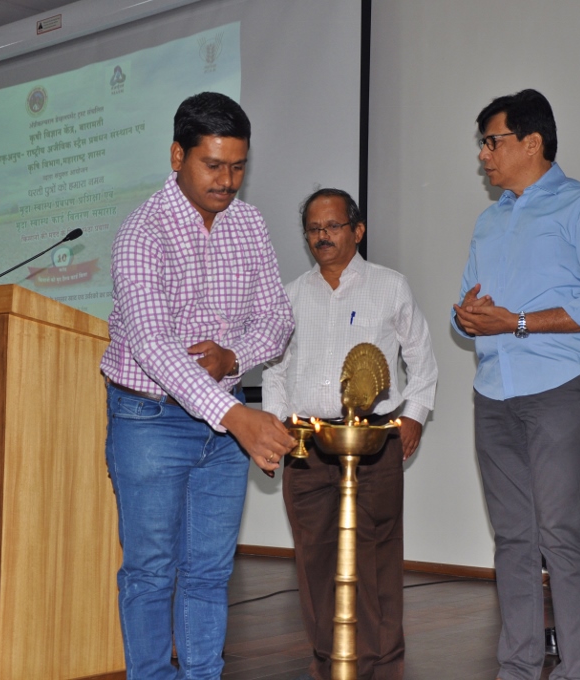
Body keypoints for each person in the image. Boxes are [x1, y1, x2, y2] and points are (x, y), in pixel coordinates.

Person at [100, 91, 296, 680]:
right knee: (151, 571)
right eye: (213, 165)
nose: (227, 181)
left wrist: (235, 356)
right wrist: (235, 417)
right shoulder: (143, 232)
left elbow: (278, 320)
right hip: (150, 419)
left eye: (238, 166)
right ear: (177, 156)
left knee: (210, 572)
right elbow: (152, 344)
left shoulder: (249, 224)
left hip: (224, 419)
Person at [452, 89, 580, 680]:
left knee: (561, 532)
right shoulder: (488, 221)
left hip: (562, 384)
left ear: (532, 143)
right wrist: (467, 317)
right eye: (482, 144)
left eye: (491, 141)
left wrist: (518, 322)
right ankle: (519, 669)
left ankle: (576, 671)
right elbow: (468, 305)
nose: (484, 155)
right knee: (512, 539)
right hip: (493, 390)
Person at [262, 188, 438, 680]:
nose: (322, 236)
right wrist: (275, 426)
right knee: (313, 556)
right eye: (313, 229)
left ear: (357, 231)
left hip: (373, 443)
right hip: (307, 443)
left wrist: (414, 416)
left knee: (375, 556)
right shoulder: (290, 296)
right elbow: (275, 370)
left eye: (333, 226)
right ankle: (328, 661)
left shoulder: (390, 286)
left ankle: (382, 665)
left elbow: (422, 359)